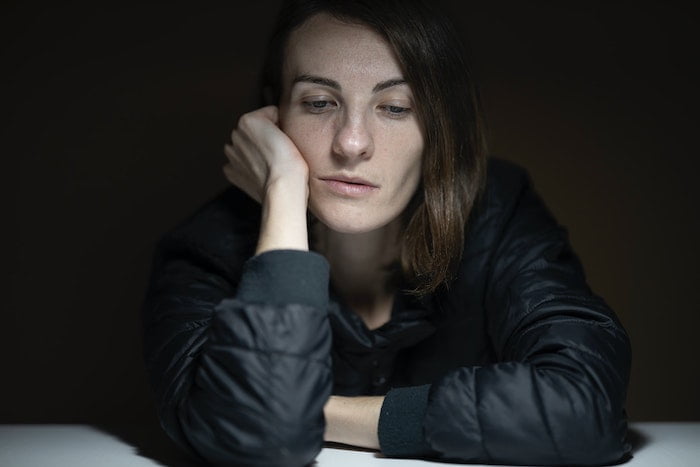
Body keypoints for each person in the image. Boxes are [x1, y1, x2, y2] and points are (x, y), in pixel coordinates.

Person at [142, 0, 631, 466]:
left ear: (441, 128)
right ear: (273, 116)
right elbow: (261, 443)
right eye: (318, 102)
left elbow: (584, 406)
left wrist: (320, 413)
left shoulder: (499, 215)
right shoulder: (206, 249)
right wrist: (283, 189)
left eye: (395, 107)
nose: (352, 142)